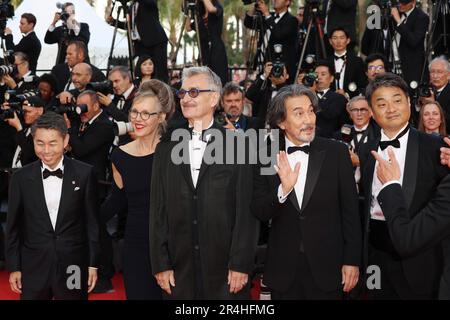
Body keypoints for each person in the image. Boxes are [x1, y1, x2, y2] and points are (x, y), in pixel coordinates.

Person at [149, 66, 259, 299]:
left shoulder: (239, 146)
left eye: (194, 92)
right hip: (179, 271)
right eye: (183, 93)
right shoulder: (165, 148)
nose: (186, 98)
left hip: (226, 272)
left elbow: (245, 213)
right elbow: (157, 211)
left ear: (214, 98)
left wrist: (240, 263)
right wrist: (161, 263)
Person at [252, 84, 361, 299]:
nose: (309, 119)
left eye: (311, 111)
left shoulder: (337, 151)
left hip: (329, 267)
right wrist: (283, 190)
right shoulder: (265, 155)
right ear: (281, 122)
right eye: (299, 113)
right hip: (283, 270)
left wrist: (352, 260)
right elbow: (259, 210)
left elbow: (350, 212)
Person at [359, 72, 449, 299]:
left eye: (397, 100)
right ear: (371, 111)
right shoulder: (366, 150)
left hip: (420, 258)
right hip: (375, 254)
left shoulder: (436, 146)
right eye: (382, 103)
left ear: (409, 103)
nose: (391, 109)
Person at [6, 111, 100, 300]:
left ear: (65, 141)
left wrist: (92, 264)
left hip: (73, 264)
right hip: (34, 264)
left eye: (52, 143)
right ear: (33, 141)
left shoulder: (85, 174)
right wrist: (14, 267)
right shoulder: (20, 178)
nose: (46, 150)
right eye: (40, 143)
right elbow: (13, 227)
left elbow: (92, 223)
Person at [106, 80, 174, 299]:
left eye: (146, 113)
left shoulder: (175, 152)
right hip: (136, 244)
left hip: (172, 243)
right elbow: (116, 201)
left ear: (161, 116)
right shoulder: (120, 155)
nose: (137, 119)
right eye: (135, 112)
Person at [107, 0, 168, 82]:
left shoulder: (147, 2)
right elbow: (131, 26)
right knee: (143, 71)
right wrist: (114, 22)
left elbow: (151, 3)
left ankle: (162, 90)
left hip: (155, 41)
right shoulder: (132, 6)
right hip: (140, 44)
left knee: (159, 71)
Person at [244, 0, 298, 83]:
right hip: (263, 65)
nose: (275, 0)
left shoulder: (292, 20)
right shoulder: (268, 16)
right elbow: (248, 23)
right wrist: (254, 7)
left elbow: (279, 35)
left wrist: (267, 14)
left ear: (287, 2)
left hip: (280, 69)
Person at [185, 0, 229, 85]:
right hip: (204, 51)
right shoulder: (199, 17)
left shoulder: (217, 7)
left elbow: (211, 9)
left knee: (219, 78)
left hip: (217, 49)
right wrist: (187, 12)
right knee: (206, 78)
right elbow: (188, 28)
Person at [3, 96, 46, 168]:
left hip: (31, 173)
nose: (25, 114)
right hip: (15, 171)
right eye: (24, 111)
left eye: (29, 111)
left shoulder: (44, 129)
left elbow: (29, 153)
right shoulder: (26, 127)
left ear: (40, 111)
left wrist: (19, 128)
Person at [327, 27, 366, 98]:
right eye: (335, 38)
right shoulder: (325, 62)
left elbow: (362, 85)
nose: (338, 41)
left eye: (342, 38)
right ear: (330, 41)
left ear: (348, 40)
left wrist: (347, 95)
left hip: (351, 100)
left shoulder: (357, 61)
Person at [313, 60, 348, 138]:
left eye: (323, 74)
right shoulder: (305, 96)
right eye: (316, 74)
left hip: (330, 141)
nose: (319, 77)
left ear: (331, 78)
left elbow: (329, 114)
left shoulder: (339, 98)